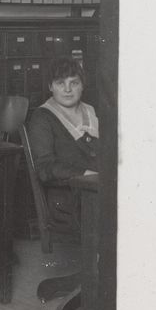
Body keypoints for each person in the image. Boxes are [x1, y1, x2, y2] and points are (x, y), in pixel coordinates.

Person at [25, 57, 100, 232]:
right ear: (50, 87)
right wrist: (86, 174)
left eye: (74, 83)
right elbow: (44, 168)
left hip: (99, 189)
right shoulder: (42, 117)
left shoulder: (93, 112)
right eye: (60, 83)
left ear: (82, 85)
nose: (67, 89)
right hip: (68, 199)